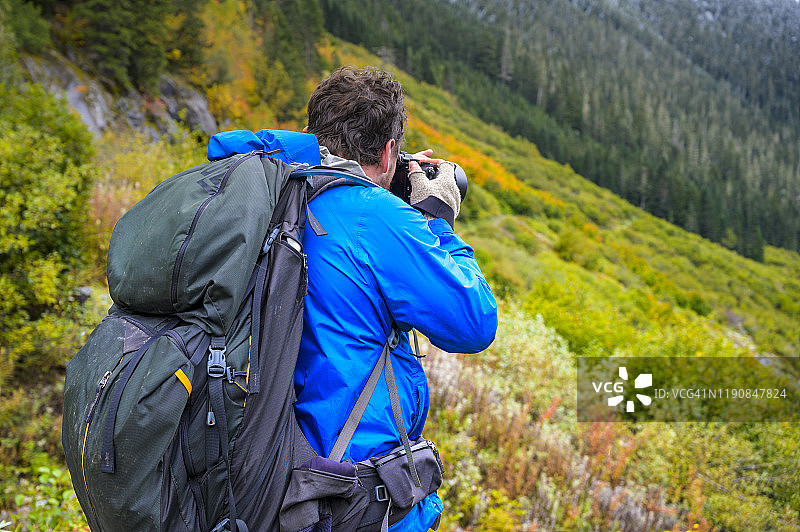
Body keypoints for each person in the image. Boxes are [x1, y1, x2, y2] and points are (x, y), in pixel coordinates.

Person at [295, 65, 498, 531]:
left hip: (270, 467)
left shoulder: (275, 189)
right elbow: (474, 323)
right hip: (350, 491)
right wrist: (436, 219)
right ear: (390, 151)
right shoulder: (376, 217)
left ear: (311, 133)